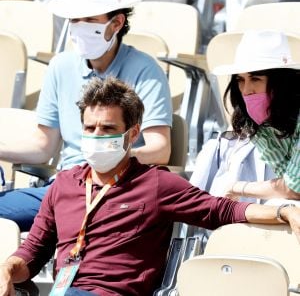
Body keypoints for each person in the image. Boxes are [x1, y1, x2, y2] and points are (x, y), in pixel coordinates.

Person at [1, 76, 300, 296]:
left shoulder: (156, 184)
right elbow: (33, 251)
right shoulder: (64, 183)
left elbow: (221, 210)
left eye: (108, 129)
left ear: (132, 134)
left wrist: (283, 211)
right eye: (90, 128)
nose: (96, 135)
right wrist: (8, 269)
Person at [0, 0, 172, 231]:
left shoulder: (146, 70)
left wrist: (110, 159)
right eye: (75, 20)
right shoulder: (60, 66)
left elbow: (160, 149)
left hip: (119, 189)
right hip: (64, 186)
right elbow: (44, 146)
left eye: (90, 19)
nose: (80, 26)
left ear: (117, 23)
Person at [213, 30, 300, 202]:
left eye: (255, 79)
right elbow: (287, 185)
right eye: (240, 80)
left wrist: (237, 188)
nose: (246, 90)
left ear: (280, 82)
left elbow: (294, 187)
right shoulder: (258, 122)